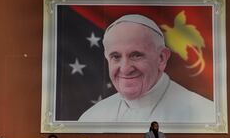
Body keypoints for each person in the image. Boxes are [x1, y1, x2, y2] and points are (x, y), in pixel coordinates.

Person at [79, 14, 215, 123]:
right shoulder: (91, 118)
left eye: (136, 55)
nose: (125, 69)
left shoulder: (206, 115)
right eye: (116, 56)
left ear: (162, 58)